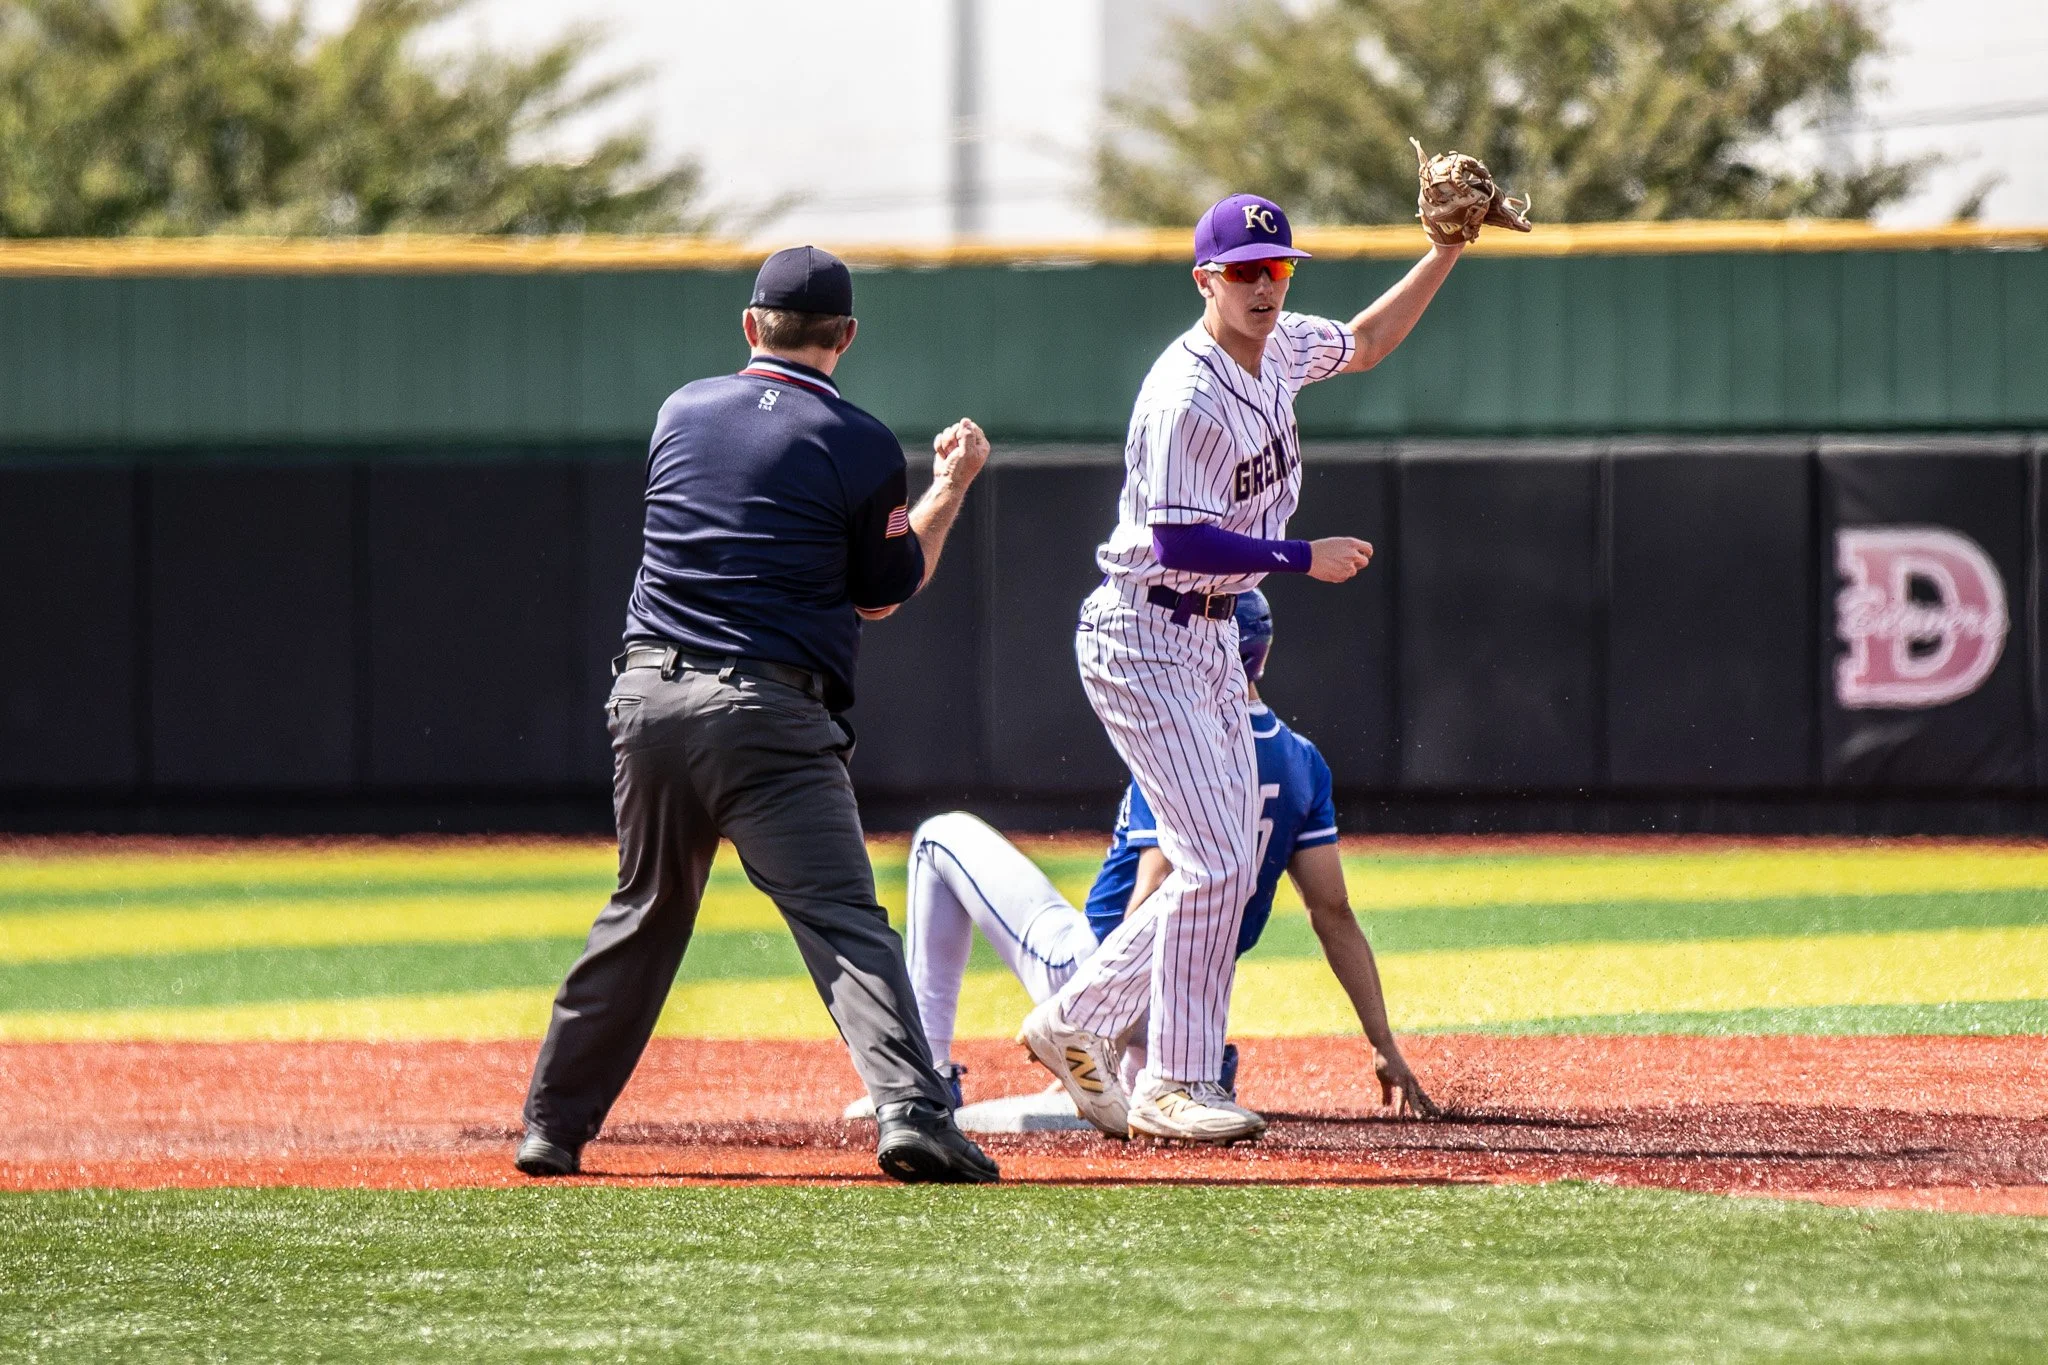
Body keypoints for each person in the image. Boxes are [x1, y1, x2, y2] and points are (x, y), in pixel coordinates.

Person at [517, 245, 999, 1184]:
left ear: (750, 326)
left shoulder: (679, 411)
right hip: (768, 715)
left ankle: (552, 1125)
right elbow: (884, 595)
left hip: (649, 699)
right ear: (846, 337)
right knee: (842, 919)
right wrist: (950, 486)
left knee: (643, 911)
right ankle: (909, 1110)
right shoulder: (857, 440)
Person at [1018, 193, 1464, 1144]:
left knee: (1216, 858)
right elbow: (1179, 535)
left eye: (1278, 269)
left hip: (1207, 635)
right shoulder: (1187, 393)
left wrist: (1444, 251)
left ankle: (1079, 1020)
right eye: (1245, 271)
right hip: (1148, 631)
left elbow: (1367, 342)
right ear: (1205, 280)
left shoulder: (1285, 345)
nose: (1265, 285)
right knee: (1216, 856)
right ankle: (1171, 1079)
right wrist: (1304, 557)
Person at [859, 591, 1434, 1131]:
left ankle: (929, 1074)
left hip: (1099, 979)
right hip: (1198, 1004)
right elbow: (1333, 913)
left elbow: (1154, 888)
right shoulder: (1304, 762)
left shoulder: (1184, 744)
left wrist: (1103, 1022)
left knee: (939, 838)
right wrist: (1383, 1044)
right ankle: (1169, 1069)